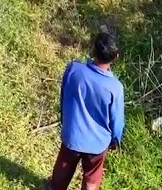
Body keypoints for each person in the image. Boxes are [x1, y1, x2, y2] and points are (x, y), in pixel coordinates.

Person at [48, 32, 125, 190]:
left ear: (93, 51)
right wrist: (115, 140)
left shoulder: (73, 69)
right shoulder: (115, 87)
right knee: (92, 177)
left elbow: (63, 98)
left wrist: (65, 120)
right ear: (115, 56)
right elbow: (117, 122)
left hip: (72, 136)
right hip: (97, 144)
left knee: (63, 168)